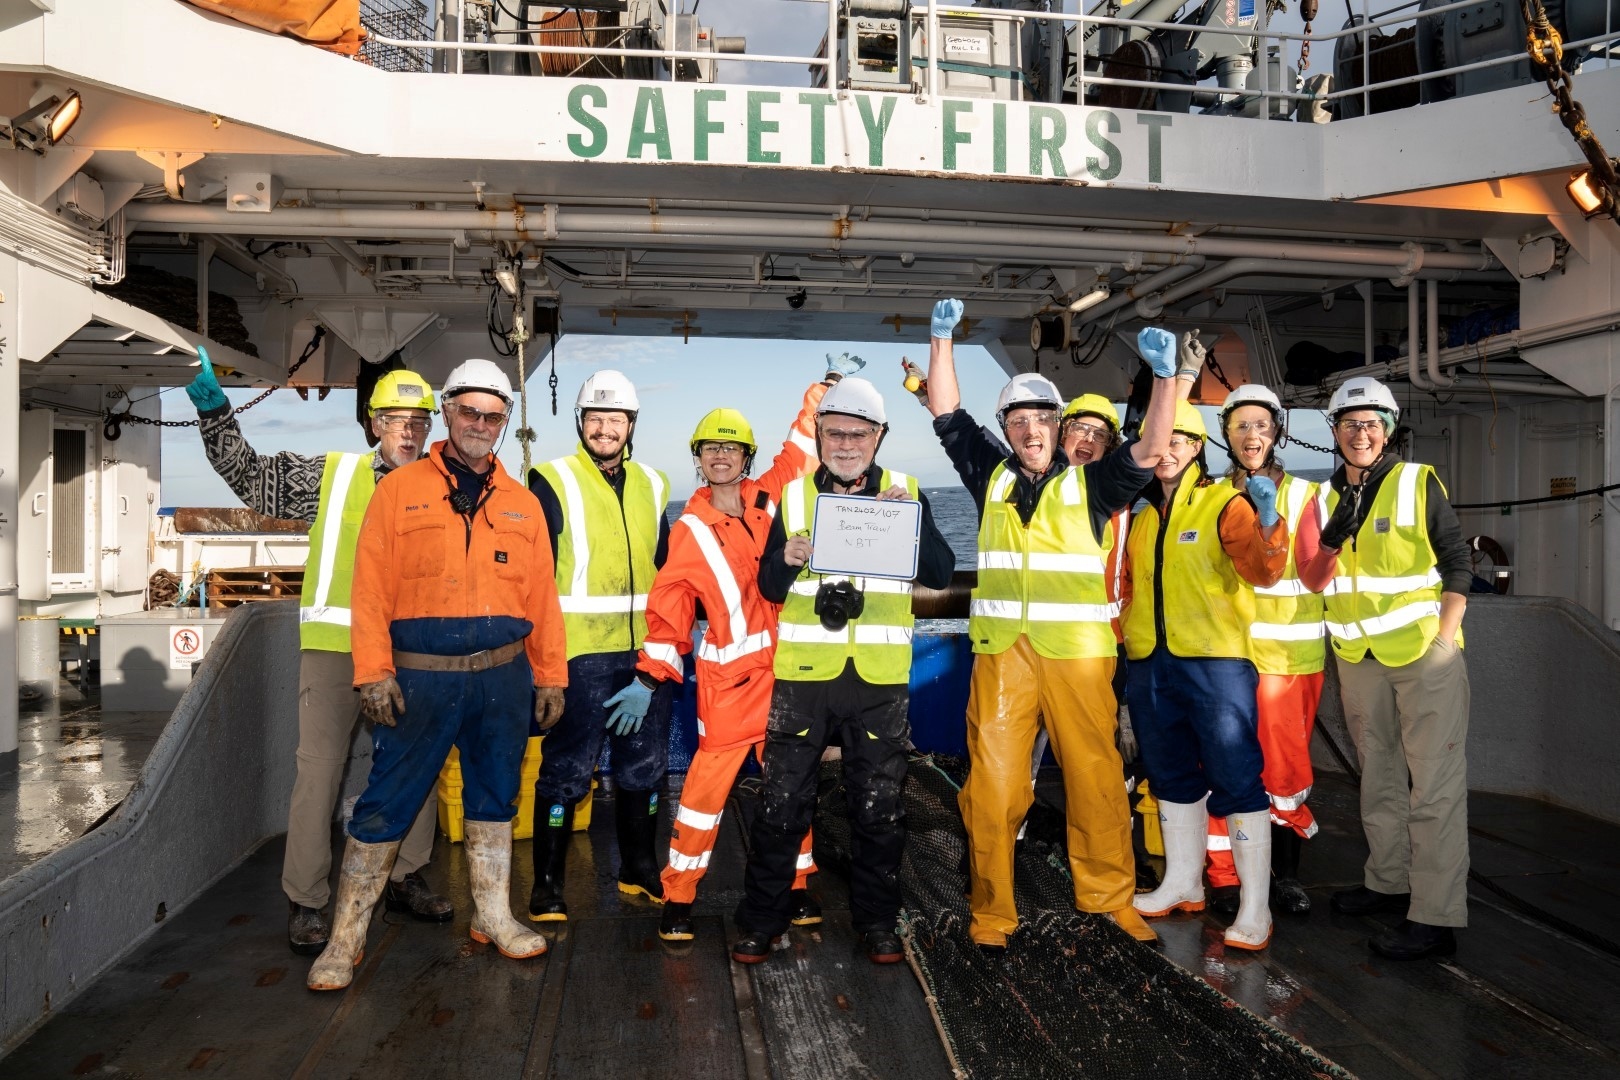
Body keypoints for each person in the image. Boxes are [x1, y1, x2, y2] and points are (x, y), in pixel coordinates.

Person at [922, 300, 1183, 952]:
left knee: (1096, 781)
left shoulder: (1095, 482)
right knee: (993, 787)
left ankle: (1111, 900)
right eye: (1019, 419)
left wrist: (1166, 380)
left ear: (1059, 426)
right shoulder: (990, 475)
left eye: (1043, 417)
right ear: (1007, 429)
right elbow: (947, 414)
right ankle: (992, 912)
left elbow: (1152, 447)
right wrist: (941, 338)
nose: (1032, 428)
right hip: (1004, 656)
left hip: (1080, 658)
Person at [307, 358, 567, 990]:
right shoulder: (397, 492)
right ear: (446, 413)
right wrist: (371, 670)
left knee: (495, 797)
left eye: (493, 416)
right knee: (385, 803)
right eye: (469, 412)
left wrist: (551, 675)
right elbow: (368, 589)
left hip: (502, 681)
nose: (480, 424)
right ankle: (344, 942)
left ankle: (495, 917)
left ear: (505, 424)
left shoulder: (524, 504)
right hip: (419, 679)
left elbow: (542, 598)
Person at [185, 352, 452, 955]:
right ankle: (306, 901)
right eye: (395, 418)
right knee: (319, 774)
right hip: (336, 650)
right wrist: (214, 413)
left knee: (419, 768)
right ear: (372, 424)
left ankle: (407, 876)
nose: (408, 430)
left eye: (419, 420)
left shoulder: (444, 489)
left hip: (410, 654)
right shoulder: (329, 477)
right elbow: (250, 477)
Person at [730, 376, 955, 965]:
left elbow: (938, 570)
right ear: (820, 435)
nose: (846, 444)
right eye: (834, 433)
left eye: (858, 433)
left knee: (879, 807)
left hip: (878, 680)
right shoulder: (796, 498)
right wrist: (785, 557)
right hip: (806, 676)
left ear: (879, 437)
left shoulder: (908, 491)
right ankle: (761, 920)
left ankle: (878, 923)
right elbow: (769, 587)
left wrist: (912, 522)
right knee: (781, 803)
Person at [639, 359, 852, 943]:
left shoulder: (771, 497)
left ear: (746, 458)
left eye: (731, 449)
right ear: (700, 460)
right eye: (710, 449)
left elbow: (801, 446)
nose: (721, 457)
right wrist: (653, 672)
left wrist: (820, 394)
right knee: (703, 798)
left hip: (787, 678)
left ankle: (799, 886)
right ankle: (679, 897)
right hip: (730, 685)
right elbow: (671, 603)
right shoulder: (690, 528)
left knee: (793, 786)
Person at [1302, 376, 1471, 960]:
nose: (1361, 433)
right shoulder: (1323, 501)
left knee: (1433, 788)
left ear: (1389, 429)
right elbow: (1314, 578)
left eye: (1372, 423)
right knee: (1377, 779)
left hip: (1424, 657)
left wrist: (1445, 641)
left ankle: (1435, 915)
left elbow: (1457, 562)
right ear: (1334, 432)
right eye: (1350, 424)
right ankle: (1388, 881)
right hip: (1358, 660)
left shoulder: (1416, 483)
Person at [1125, 398, 1290, 952]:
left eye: (1179, 440)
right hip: (1152, 662)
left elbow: (1264, 570)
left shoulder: (1225, 502)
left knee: (1237, 779)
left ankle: (1254, 906)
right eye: (1160, 440)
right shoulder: (1143, 516)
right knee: (1170, 776)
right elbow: (1128, 587)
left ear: (1198, 448)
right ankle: (1183, 883)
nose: (1167, 450)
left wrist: (1267, 520)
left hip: (1215, 664)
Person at [528, 371, 673, 920]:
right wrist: (543, 662)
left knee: (645, 767)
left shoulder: (655, 484)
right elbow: (534, 577)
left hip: (643, 657)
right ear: (581, 424)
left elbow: (668, 572)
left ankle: (639, 868)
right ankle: (546, 885)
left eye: (615, 420)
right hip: (580, 655)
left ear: (631, 426)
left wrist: (661, 654)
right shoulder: (551, 480)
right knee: (567, 769)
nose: (605, 429)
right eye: (596, 418)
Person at [1204, 385, 1327, 918]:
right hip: (1224, 659)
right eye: (1240, 426)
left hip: (1288, 661)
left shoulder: (1308, 497)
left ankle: (1285, 878)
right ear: (1226, 435)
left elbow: (1324, 573)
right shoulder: (1208, 495)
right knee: (1222, 771)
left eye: (1260, 425)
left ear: (1277, 431)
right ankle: (1224, 876)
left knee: (1283, 776)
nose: (1251, 435)